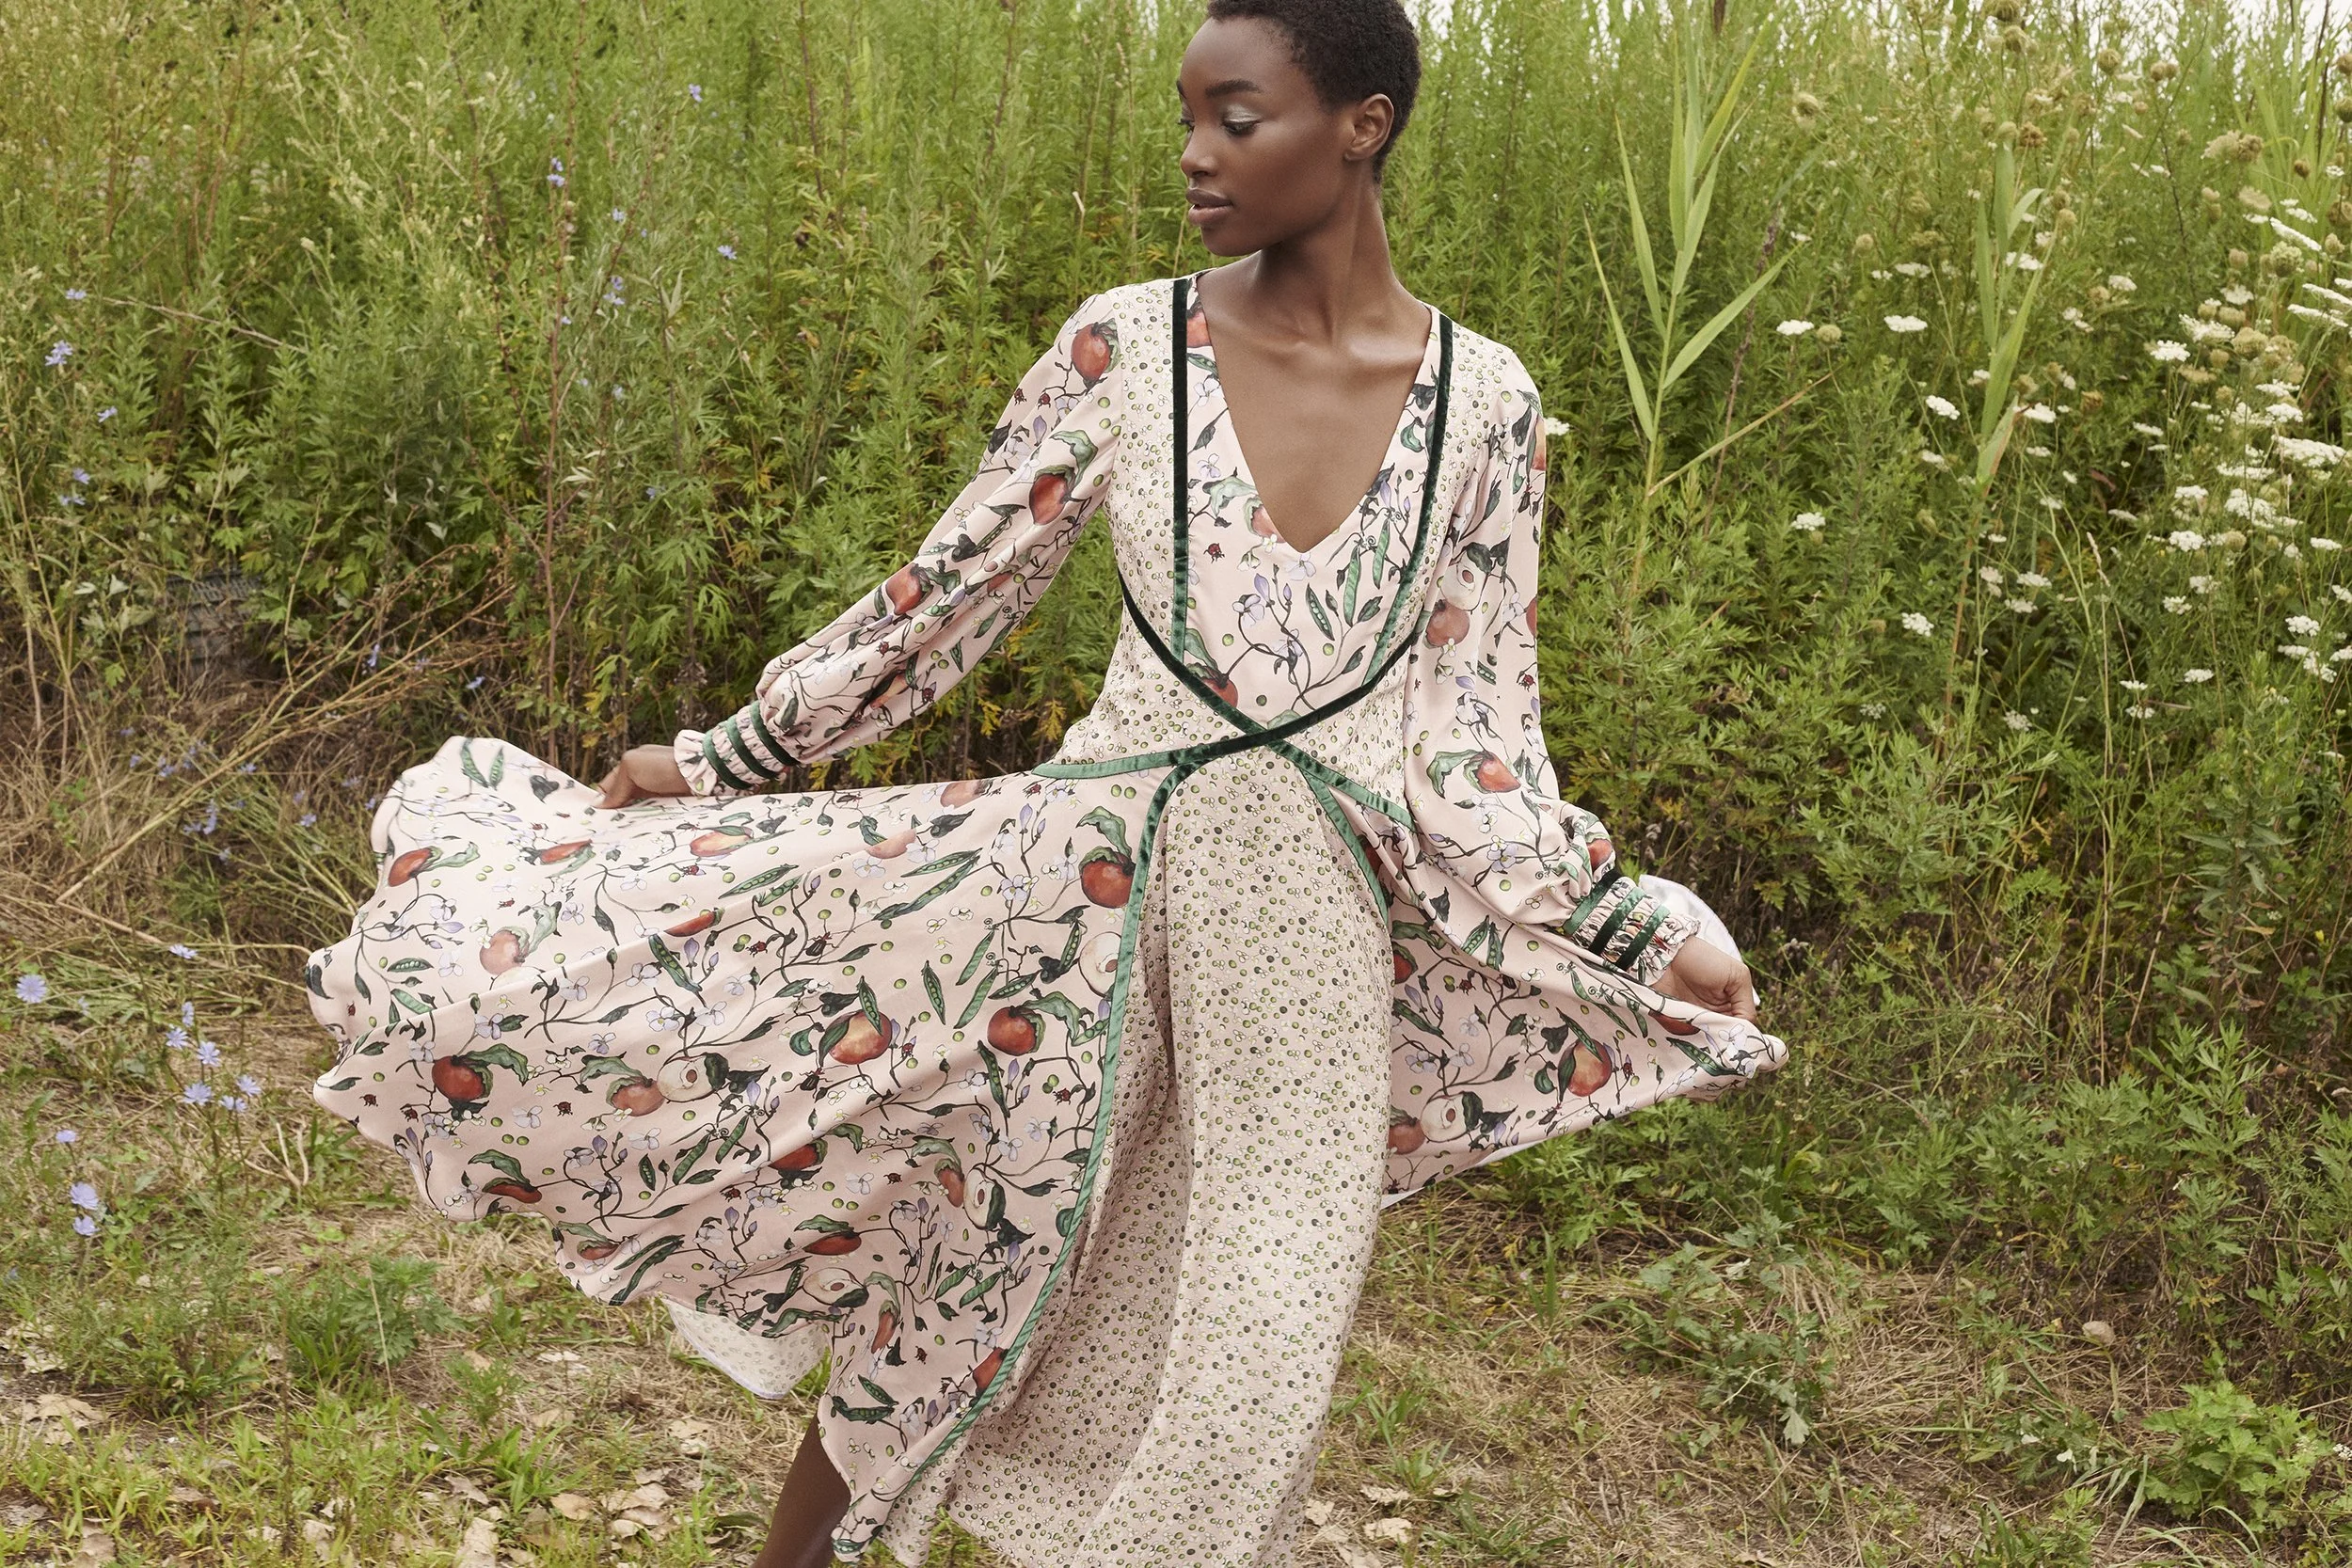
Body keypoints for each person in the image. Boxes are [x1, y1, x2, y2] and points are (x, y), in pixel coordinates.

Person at [307, 0, 1787, 1561]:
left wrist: (1630, 926)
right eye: (1190, 117)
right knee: (978, 1266)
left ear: (1362, 125)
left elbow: (1480, 735)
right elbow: (947, 596)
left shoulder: (1486, 404)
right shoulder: (1126, 345)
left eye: (1241, 118)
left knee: (1252, 1349)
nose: (1197, 157)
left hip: (1311, 944)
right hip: (1078, 899)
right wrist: (733, 756)